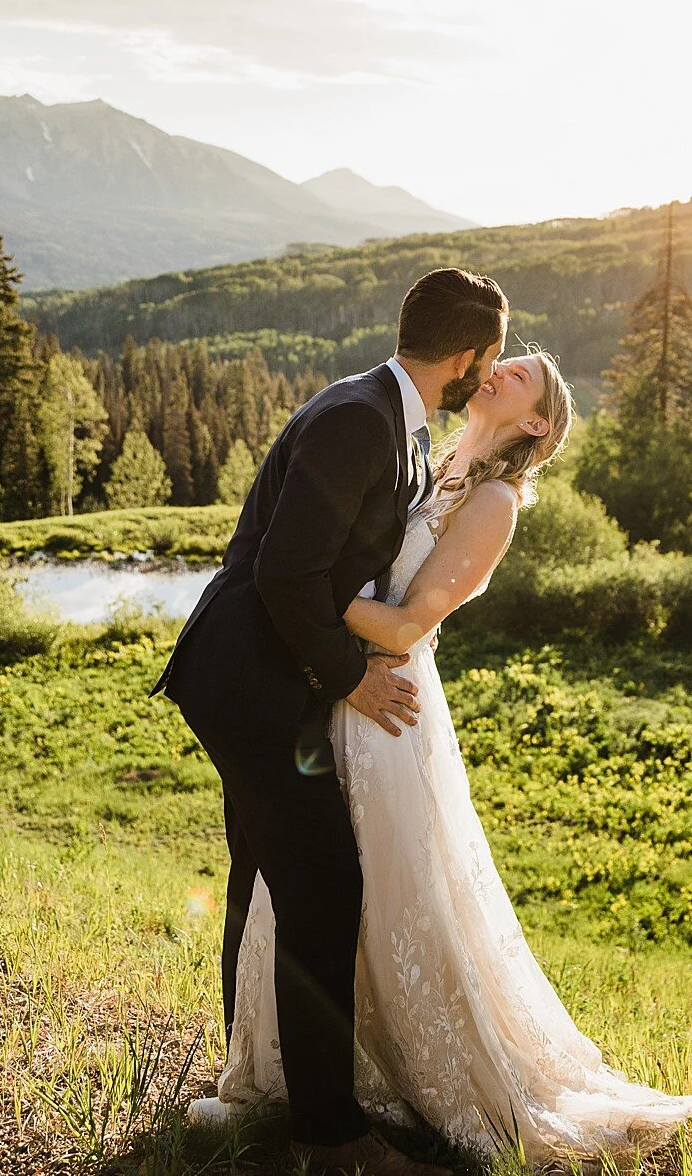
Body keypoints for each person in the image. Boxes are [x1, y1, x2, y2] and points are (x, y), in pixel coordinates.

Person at [214, 345, 692, 1164]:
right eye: (507, 359)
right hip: (336, 694)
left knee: (395, 885)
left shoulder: (496, 501)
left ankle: (407, 1070)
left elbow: (408, 624)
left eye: (527, 375)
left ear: (537, 423)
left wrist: (306, 587)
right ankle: (311, 1070)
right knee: (315, 882)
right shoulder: (429, 461)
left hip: (389, 710)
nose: (505, 368)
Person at [154, 266, 508, 1176]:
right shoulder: (360, 419)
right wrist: (352, 675)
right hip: (246, 678)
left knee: (266, 873)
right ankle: (327, 1133)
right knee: (321, 883)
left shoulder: (394, 421)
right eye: (491, 358)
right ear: (468, 357)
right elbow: (283, 573)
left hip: (269, 678)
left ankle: (253, 1085)